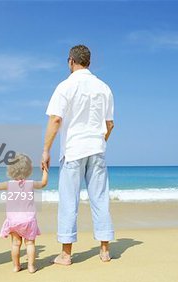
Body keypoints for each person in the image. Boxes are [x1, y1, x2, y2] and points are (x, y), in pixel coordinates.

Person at [41, 45, 115, 265]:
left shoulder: (65, 86)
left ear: (71, 61)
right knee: (100, 199)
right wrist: (100, 141)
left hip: (73, 150)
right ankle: (104, 250)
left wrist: (46, 149)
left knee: (68, 201)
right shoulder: (104, 88)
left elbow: (55, 120)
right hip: (97, 149)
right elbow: (109, 124)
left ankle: (66, 253)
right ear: (89, 62)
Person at [0, 154, 48, 273]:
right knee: (30, 243)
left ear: (10, 170)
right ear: (28, 170)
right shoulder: (30, 183)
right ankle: (31, 266)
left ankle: (16, 266)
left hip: (14, 221)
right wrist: (45, 170)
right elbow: (43, 183)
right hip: (29, 220)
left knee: (16, 244)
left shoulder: (9, 184)